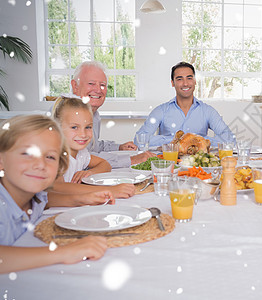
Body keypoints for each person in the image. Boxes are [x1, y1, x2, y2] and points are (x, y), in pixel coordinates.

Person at [0, 115, 108, 273]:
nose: (40, 164)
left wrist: (79, 199)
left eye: (50, 157)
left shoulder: (35, 195)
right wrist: (64, 252)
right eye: (27, 153)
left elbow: (46, 199)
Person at [51, 96, 136, 206]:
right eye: (74, 127)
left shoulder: (81, 153)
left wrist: (91, 172)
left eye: (88, 127)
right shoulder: (55, 155)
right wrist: (109, 191)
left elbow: (105, 164)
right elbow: (59, 187)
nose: (83, 134)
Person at [71, 61, 155, 168]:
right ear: (75, 86)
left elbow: (93, 147)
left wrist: (119, 147)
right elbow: (83, 158)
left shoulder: (94, 114)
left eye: (102, 85)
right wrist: (130, 160)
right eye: (91, 84)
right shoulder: (67, 113)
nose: (98, 90)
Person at [135, 61, 235, 147]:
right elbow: (139, 140)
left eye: (189, 78)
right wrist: (176, 140)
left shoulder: (207, 111)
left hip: (198, 166)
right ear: (172, 83)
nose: (185, 83)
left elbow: (230, 140)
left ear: (195, 81)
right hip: (169, 164)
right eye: (179, 79)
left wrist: (198, 140)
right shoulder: (161, 111)